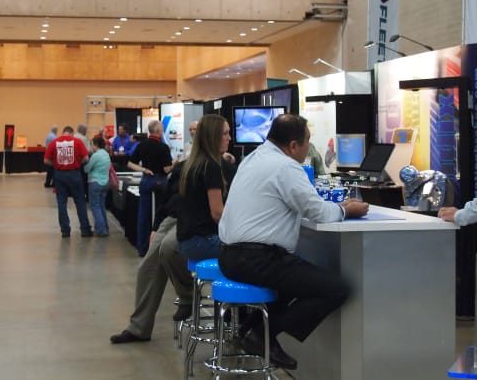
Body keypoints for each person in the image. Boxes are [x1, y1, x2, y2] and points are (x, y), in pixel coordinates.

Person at [218, 114, 369, 370]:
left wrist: (334, 207)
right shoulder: (286, 167)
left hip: (231, 256)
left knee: (291, 283)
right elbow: (317, 212)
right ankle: (262, 334)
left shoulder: (254, 158)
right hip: (255, 258)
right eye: (307, 141)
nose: (309, 147)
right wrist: (345, 210)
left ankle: (252, 330)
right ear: (293, 145)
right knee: (335, 288)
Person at [109, 161, 195, 344]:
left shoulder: (214, 167)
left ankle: (189, 296)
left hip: (193, 222)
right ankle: (139, 328)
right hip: (170, 219)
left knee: (170, 248)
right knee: (147, 269)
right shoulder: (182, 167)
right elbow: (166, 199)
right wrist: (156, 227)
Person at [177, 114, 233, 261]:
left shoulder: (193, 164)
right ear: (213, 137)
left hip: (187, 241)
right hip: (203, 241)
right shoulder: (211, 166)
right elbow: (217, 214)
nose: (229, 138)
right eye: (225, 134)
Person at [127, 120, 174, 257]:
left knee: (143, 214)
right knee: (160, 215)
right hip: (160, 181)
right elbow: (167, 169)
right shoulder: (163, 147)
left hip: (146, 180)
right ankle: (157, 248)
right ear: (158, 131)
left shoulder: (141, 145)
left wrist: (143, 169)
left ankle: (142, 248)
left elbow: (130, 163)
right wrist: (176, 163)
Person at [44, 125, 92, 238]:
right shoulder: (77, 141)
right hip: (74, 174)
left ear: (63, 132)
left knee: (61, 203)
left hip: (59, 175)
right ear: (71, 133)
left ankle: (65, 230)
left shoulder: (54, 142)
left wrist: (56, 164)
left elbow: (46, 160)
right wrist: (78, 162)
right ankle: (85, 229)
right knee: (80, 202)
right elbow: (86, 158)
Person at [84, 136, 111, 237]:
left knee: (95, 207)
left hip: (95, 182)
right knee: (101, 206)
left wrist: (84, 165)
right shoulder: (106, 154)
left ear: (96, 145)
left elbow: (87, 169)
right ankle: (105, 228)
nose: (91, 147)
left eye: (91, 145)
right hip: (105, 183)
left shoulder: (95, 156)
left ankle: (101, 230)